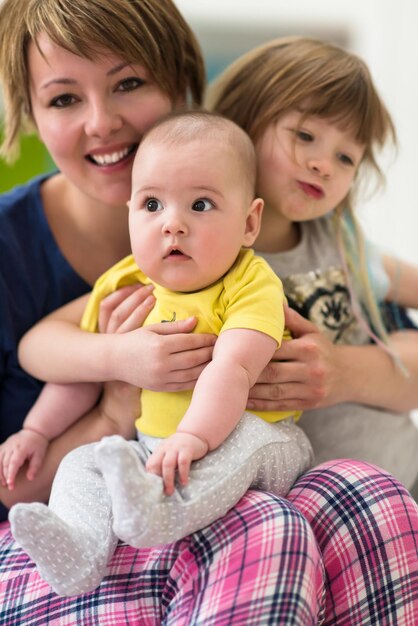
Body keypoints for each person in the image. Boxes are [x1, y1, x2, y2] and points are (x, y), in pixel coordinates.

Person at [0, 1, 416, 621]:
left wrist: (342, 371)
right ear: (28, 111)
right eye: (63, 99)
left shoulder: (270, 244)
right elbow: (44, 357)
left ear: (182, 84)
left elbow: (392, 344)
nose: (102, 122)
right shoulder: (68, 263)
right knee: (267, 524)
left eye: (129, 83)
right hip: (89, 537)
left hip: (237, 494)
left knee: (361, 497)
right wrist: (114, 401)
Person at [6, 111, 313, 596]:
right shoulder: (126, 283)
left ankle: (158, 514)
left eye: (201, 205)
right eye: (152, 204)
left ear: (250, 222)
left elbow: (233, 367)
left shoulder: (249, 284)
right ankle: (80, 551)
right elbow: (80, 372)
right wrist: (36, 431)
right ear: (130, 212)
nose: (173, 224)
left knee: (249, 439)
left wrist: (193, 437)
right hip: (154, 451)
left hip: (256, 440)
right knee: (83, 463)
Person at [206, 35, 418, 494]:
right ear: (240, 121)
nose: (325, 165)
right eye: (305, 136)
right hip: (300, 508)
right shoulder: (206, 252)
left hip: (404, 479)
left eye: (346, 158)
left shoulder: (340, 243)